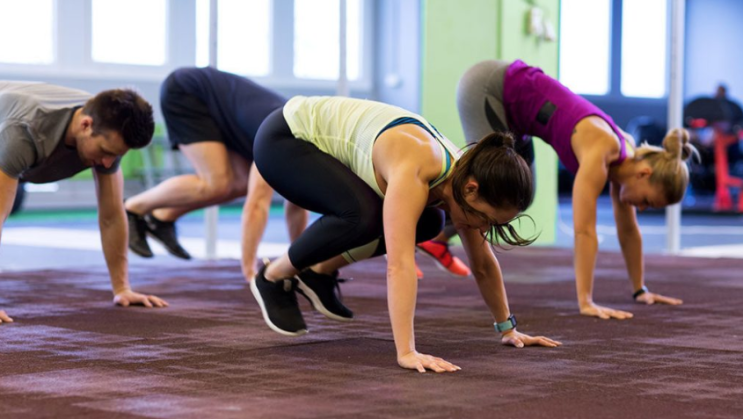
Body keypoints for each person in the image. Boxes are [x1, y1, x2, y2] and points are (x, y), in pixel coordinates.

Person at [250, 95, 561, 373]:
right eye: (485, 220)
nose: (483, 230)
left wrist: (508, 329)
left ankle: (318, 273)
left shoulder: (466, 179)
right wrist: (407, 352)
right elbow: (398, 264)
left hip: (314, 146)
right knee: (362, 215)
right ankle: (272, 276)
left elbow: (482, 262)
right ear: (471, 189)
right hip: (285, 139)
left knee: (430, 224)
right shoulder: (419, 167)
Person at [419, 59, 697, 320]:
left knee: (518, 198)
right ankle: (413, 220)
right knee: (490, 189)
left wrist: (640, 290)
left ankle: (438, 239)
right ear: (644, 173)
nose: (643, 208)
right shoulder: (603, 148)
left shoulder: (625, 161)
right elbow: (584, 230)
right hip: (488, 87)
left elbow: (628, 230)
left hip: (516, 117)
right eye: (647, 200)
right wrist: (586, 301)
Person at [0, 81, 167, 324]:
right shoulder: (24, 132)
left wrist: (122, 289)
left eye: (117, 155)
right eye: (105, 151)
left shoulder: (109, 132)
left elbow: (111, 216)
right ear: (85, 125)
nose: (108, 163)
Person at [123, 67, 308, 281]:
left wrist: (302, 265)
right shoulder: (283, 141)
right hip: (188, 91)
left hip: (224, 109)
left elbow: (298, 203)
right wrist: (250, 272)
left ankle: (161, 218)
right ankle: (131, 209)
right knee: (217, 183)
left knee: (240, 183)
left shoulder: (304, 147)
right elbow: (257, 205)